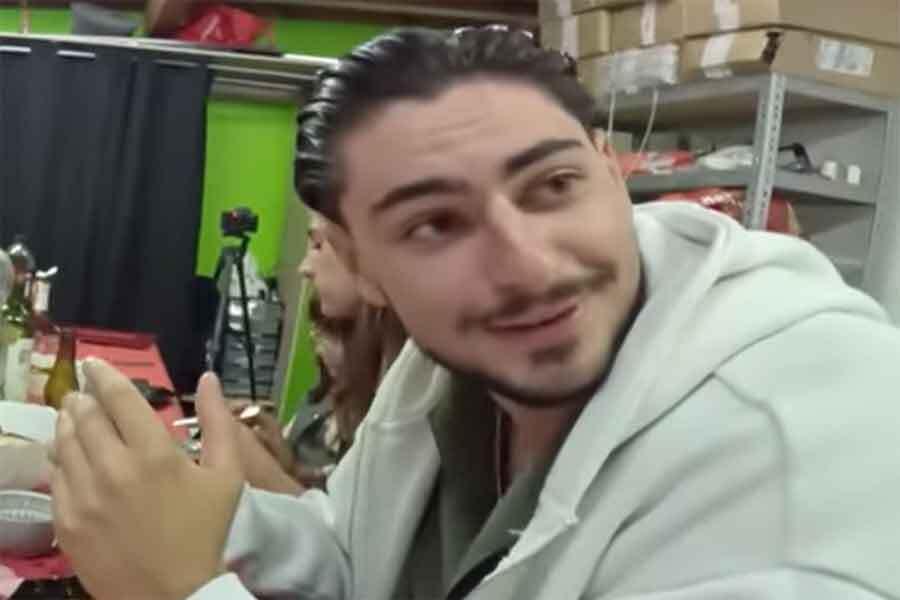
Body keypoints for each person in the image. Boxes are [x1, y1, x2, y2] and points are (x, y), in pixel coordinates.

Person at [50, 26, 900, 600]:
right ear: (361, 264)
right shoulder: (448, 362)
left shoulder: (801, 445)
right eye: (435, 225)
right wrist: (214, 520)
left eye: (553, 185)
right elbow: (359, 557)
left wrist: (188, 588)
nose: (528, 266)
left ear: (610, 171)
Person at [236, 212, 406, 494]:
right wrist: (284, 462)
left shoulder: (409, 391)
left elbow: (352, 523)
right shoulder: (368, 380)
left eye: (317, 245)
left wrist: (261, 468)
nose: (304, 268)